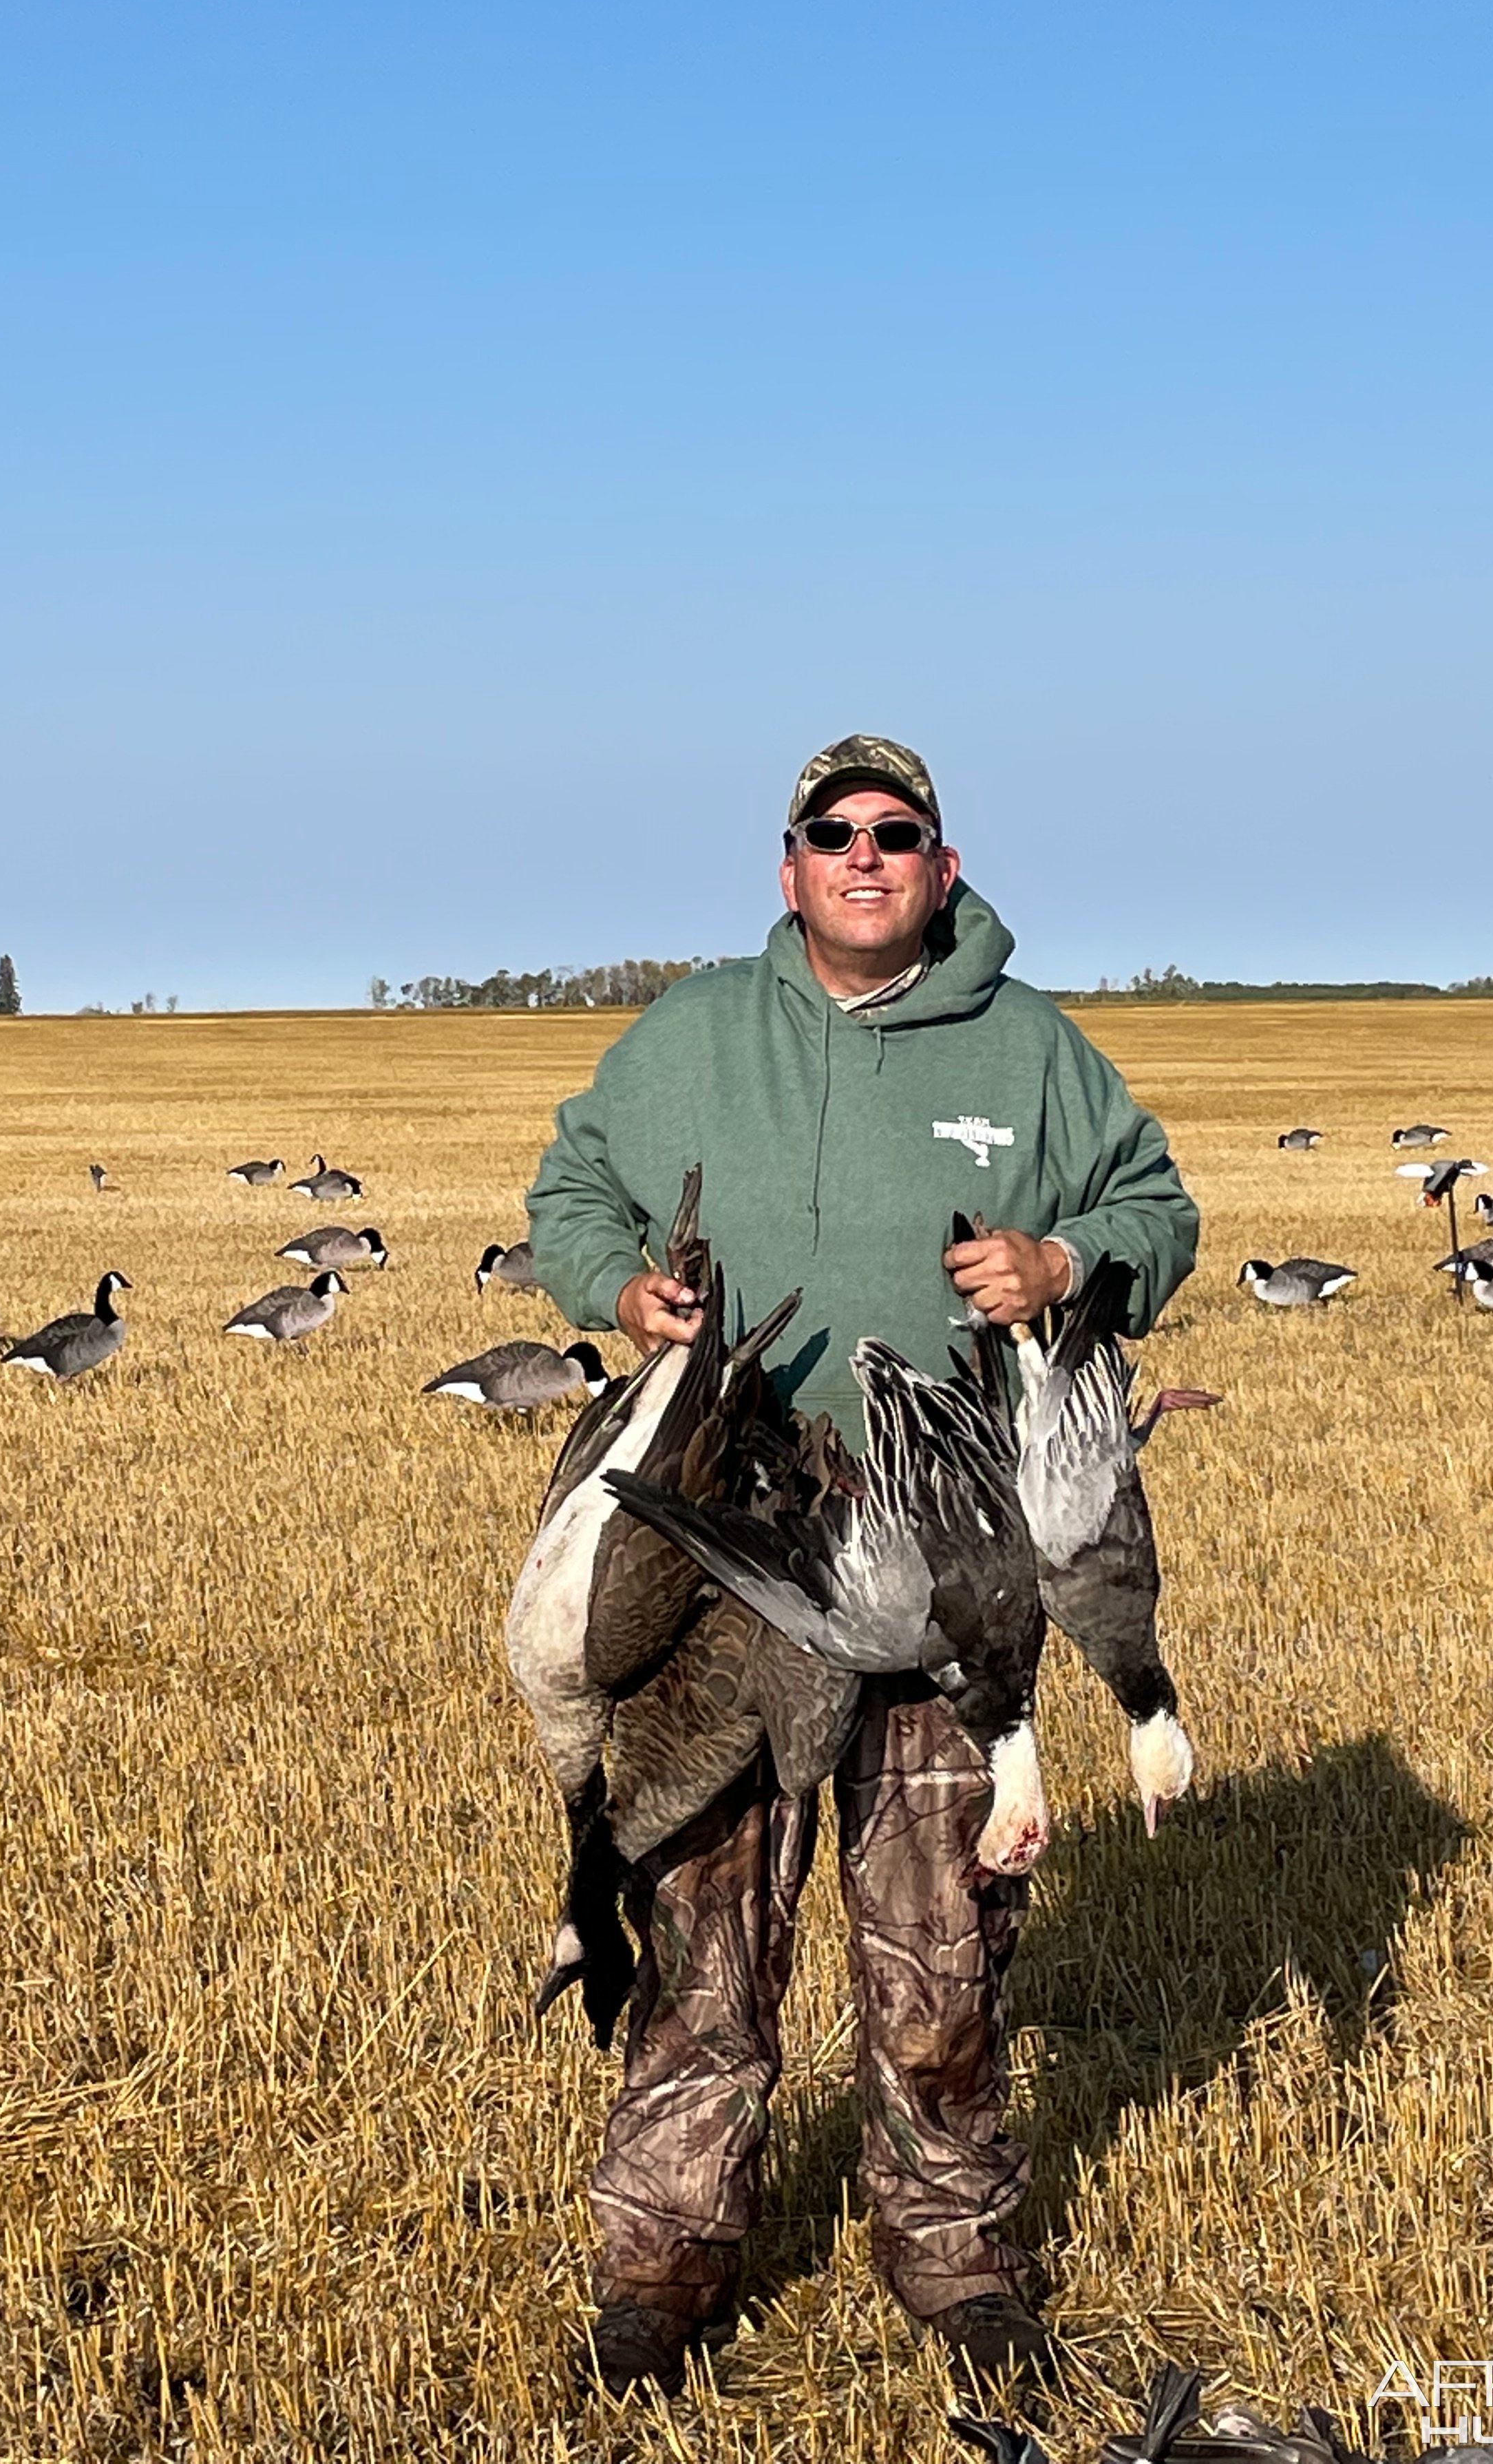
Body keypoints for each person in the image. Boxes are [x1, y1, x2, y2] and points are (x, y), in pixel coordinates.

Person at [525, 733, 1199, 2397]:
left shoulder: (1035, 1048)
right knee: (699, 1927)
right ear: (791, 868)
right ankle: (665, 2265)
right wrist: (618, 1293)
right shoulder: (695, 1032)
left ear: (943, 867)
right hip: (738, 1543)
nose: (866, 855)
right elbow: (570, 1188)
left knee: (942, 1939)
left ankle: (960, 2262)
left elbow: (1158, 1209)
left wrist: (1068, 1259)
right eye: (835, 833)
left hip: (947, 1543)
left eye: (898, 833)